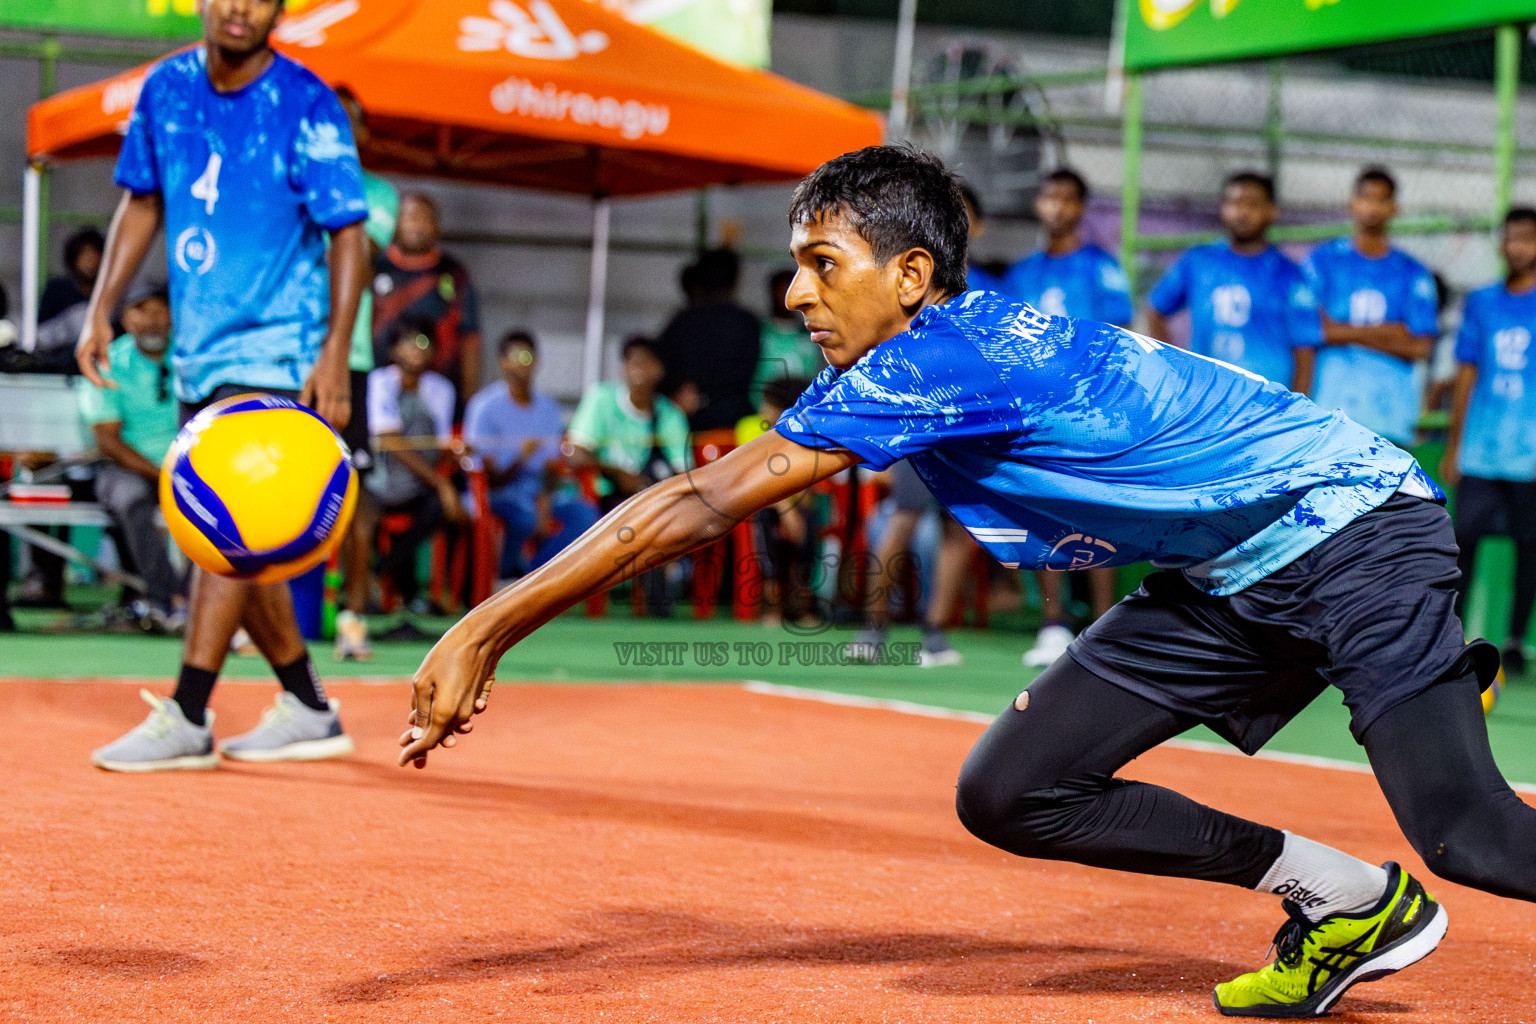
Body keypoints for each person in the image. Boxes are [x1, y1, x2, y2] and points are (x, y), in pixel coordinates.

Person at [404, 146, 1536, 1019]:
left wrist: (487, 625)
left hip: (1351, 530)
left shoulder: (937, 356)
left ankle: (1390, 883)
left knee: (1472, 835)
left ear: (909, 275)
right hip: (1231, 569)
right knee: (1015, 788)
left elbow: (702, 502)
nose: (797, 293)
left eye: (822, 264)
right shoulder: (938, 342)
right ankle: (1343, 897)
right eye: (796, 264)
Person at [77, 0, 369, 771]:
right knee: (239, 535)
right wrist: (101, 307)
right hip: (197, 351)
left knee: (227, 521)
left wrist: (335, 351)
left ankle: (190, 712)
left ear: (279, 8)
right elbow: (142, 200)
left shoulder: (308, 101)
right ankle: (307, 706)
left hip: (280, 347)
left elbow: (348, 228)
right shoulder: (165, 90)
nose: (241, 6)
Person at [1003, 167, 1133, 668]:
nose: (1056, 207)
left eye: (1066, 199)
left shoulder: (1102, 268)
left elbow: (1119, 338)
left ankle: (1104, 629)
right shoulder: (1022, 274)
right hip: (1034, 413)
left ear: (1081, 208)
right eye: (1048, 197)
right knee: (1040, 512)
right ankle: (1053, 625)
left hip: (1089, 410)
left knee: (1096, 514)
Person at [1442, 207, 1536, 676]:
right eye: (1511, 237)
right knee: (1464, 541)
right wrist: (1455, 444)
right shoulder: (1481, 302)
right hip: (1482, 448)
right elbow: (1467, 371)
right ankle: (1449, 637)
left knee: (1530, 546)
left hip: (1531, 453)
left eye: (1528, 238)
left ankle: (1516, 642)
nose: (1518, 246)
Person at [336, 319, 462, 661]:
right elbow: (390, 440)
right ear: (393, 350)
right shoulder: (377, 382)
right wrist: (441, 483)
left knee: (448, 511)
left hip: (419, 484)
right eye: (409, 342)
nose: (417, 350)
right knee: (359, 525)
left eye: (423, 342)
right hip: (378, 480)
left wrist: (441, 481)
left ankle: (408, 590)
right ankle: (353, 619)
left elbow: (435, 446)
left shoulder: (441, 389)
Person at [1146, 171, 1322, 393]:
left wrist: (1298, 409)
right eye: (1233, 203)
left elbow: (1304, 348)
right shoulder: (1198, 261)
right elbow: (1155, 308)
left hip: (1266, 404)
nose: (1241, 212)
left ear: (1271, 211)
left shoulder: (1289, 275)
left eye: (1251, 204)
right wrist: (1170, 368)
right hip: (1205, 399)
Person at [76, 280, 184, 631]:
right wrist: (161, 474)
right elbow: (108, 441)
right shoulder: (109, 361)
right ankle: (168, 601)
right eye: (141, 310)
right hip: (125, 469)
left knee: (223, 505)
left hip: (187, 469)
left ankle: (197, 600)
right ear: (124, 317)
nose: (152, 320)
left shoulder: (190, 358)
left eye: (159, 309)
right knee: (133, 500)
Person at [1306, 167, 1439, 447]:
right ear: (1352, 203)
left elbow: (1421, 347)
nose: (1372, 207)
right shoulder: (1323, 261)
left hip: (1389, 417)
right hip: (1331, 415)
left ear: (1394, 208)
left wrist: (1341, 329)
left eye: (1382, 200)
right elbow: (1313, 331)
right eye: (1366, 198)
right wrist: (1393, 331)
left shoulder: (1412, 272)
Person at [567, 336, 690, 614]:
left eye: (645, 362)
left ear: (660, 370)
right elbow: (576, 454)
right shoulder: (601, 399)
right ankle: (666, 571)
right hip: (603, 496)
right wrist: (618, 472)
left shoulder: (669, 416)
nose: (637, 369)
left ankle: (666, 573)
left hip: (654, 502)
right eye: (631, 362)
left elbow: (684, 472)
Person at [463, 330, 598, 585]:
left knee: (586, 516)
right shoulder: (484, 406)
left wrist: (545, 500)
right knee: (525, 515)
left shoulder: (548, 407)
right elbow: (490, 478)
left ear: (536, 361)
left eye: (527, 356)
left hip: (540, 491)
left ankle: (533, 578)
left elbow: (552, 464)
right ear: (501, 362)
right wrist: (519, 458)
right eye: (514, 356)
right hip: (499, 492)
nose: (521, 362)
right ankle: (505, 576)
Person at [371, 191, 483, 407]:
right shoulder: (375, 266)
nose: (417, 225)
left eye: (425, 218)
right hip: (379, 391)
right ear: (395, 223)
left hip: (441, 390)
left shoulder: (454, 273)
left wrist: (470, 392)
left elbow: (471, 335)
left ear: (437, 227)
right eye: (410, 217)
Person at [736, 376, 821, 628]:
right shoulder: (749, 427)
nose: (764, 410)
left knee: (808, 517)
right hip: (759, 502)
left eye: (770, 405)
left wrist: (799, 508)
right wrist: (785, 508)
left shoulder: (806, 431)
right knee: (767, 521)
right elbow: (754, 478)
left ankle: (802, 604)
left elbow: (811, 478)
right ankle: (772, 608)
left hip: (795, 506)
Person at [655, 248, 760, 432]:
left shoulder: (682, 321)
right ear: (736, 280)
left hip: (688, 419)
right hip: (735, 420)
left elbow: (660, 364)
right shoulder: (748, 322)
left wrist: (677, 394)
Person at [752, 268, 824, 407]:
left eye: (790, 291)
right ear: (771, 293)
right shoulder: (759, 332)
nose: (784, 297)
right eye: (780, 291)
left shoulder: (813, 335)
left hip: (800, 412)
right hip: (762, 411)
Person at [36, 227, 105, 356]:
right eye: (84, 254)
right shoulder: (57, 289)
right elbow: (41, 332)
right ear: (73, 258)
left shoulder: (110, 292)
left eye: (95, 254)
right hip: (59, 360)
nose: (90, 260)